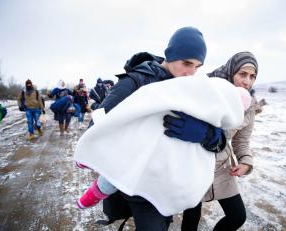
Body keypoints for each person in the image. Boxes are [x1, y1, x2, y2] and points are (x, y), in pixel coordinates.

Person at [77, 26, 222, 231]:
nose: (191, 72)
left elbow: (221, 140)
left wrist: (207, 134)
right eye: (187, 63)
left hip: (170, 181)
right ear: (171, 55)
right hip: (140, 181)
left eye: (197, 66)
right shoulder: (137, 81)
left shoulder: (193, 89)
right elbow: (97, 126)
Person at [180, 51, 259, 231]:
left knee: (237, 216)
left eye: (252, 76)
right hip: (196, 165)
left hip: (222, 168)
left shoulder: (249, 106)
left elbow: (242, 141)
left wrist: (246, 161)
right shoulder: (206, 92)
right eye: (242, 74)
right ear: (231, 72)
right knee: (191, 217)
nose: (247, 81)